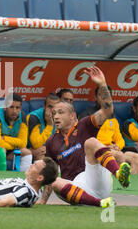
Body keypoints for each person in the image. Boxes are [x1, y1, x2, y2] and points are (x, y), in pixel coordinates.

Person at [40, 66, 131, 207]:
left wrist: (102, 84)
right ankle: (100, 204)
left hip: (95, 179)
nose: (56, 116)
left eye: (60, 112)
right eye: (54, 113)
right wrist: (42, 201)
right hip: (75, 189)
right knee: (55, 181)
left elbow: (108, 110)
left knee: (91, 142)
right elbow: (50, 173)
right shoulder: (51, 141)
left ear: (72, 116)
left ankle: (119, 174)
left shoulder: (84, 124)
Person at [78, 86, 138, 174]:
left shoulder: (112, 117)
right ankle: (117, 184)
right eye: (101, 95)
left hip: (112, 149)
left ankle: (130, 186)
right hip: (95, 151)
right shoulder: (87, 115)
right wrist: (104, 146)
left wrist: (117, 146)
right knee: (119, 155)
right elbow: (85, 138)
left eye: (107, 96)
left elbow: (119, 139)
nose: (104, 99)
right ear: (95, 97)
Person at [0, 93, 32, 172]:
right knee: (2, 150)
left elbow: (23, 143)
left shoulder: (23, 117)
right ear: (5, 107)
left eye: (17, 108)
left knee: (27, 152)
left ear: (20, 108)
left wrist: (5, 138)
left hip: (11, 150)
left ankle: (23, 180)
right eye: (11, 107)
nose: (14, 111)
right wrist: (14, 143)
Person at [26, 93, 60, 161]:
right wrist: (49, 125)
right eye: (50, 106)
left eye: (55, 107)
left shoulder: (60, 117)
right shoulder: (33, 117)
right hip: (30, 149)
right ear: (44, 106)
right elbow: (36, 144)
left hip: (46, 149)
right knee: (40, 153)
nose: (52, 110)